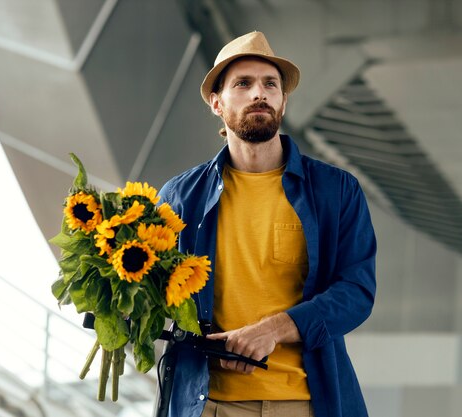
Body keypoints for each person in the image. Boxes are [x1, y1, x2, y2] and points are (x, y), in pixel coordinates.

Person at [159, 31, 377, 417]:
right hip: (208, 405)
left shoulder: (336, 191)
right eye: (243, 83)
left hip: (306, 402)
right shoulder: (179, 198)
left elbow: (356, 293)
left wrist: (272, 330)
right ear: (216, 103)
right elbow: (155, 291)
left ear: (283, 100)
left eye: (270, 84)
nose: (259, 93)